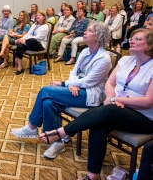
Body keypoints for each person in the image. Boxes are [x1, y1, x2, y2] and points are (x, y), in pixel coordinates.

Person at [39, 28, 153, 180]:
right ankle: (92, 176)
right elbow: (110, 84)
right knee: (99, 124)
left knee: (108, 112)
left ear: (151, 45)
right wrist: (111, 98)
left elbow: (147, 101)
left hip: (143, 117)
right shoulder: (125, 60)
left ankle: (63, 132)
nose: (132, 41)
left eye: (138, 39)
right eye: (132, 38)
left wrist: (115, 100)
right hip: (117, 109)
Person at [12, 21, 111, 160]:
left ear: (98, 36)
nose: (85, 32)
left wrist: (65, 83)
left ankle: (32, 126)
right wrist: (71, 84)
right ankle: (56, 142)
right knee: (48, 103)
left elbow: (89, 82)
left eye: (89, 31)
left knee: (46, 91)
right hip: (76, 88)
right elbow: (74, 71)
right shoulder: (85, 51)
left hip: (90, 94)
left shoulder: (104, 59)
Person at [14, 11, 49, 75]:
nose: (38, 16)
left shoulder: (45, 26)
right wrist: (21, 39)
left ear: (44, 17)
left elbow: (39, 38)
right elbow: (28, 34)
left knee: (32, 40)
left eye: (40, 15)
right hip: (28, 43)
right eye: (37, 15)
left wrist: (22, 40)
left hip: (39, 45)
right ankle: (19, 67)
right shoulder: (34, 24)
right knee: (19, 46)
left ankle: (23, 42)